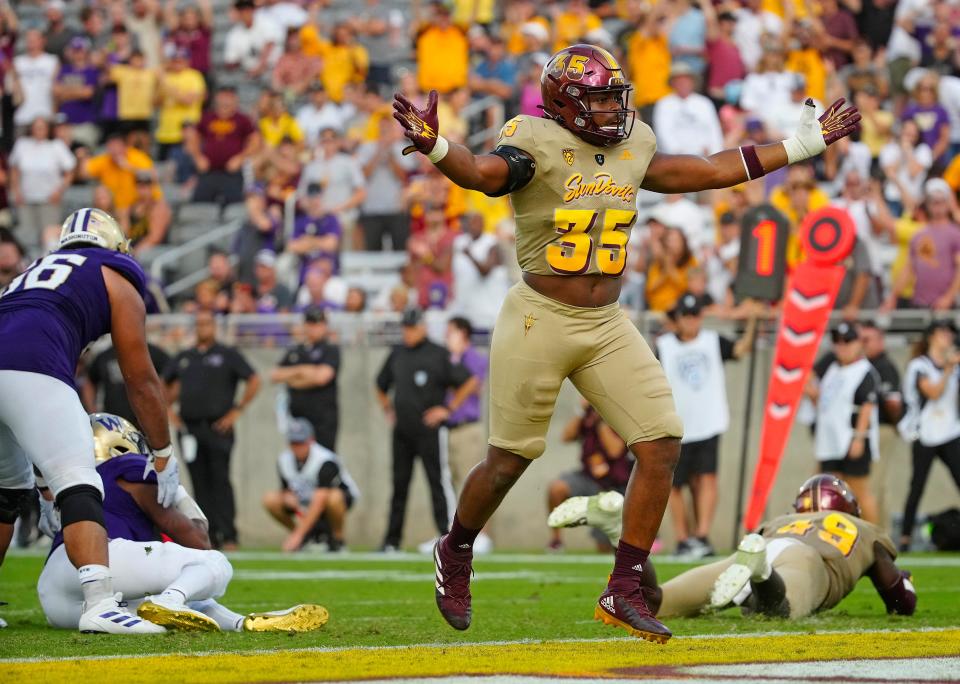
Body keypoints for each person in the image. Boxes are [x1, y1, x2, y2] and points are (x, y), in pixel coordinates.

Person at [392, 42, 860, 640]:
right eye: (600, 98)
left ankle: (624, 586)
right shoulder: (533, 138)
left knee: (662, 442)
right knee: (509, 460)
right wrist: (436, 146)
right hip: (539, 314)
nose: (613, 108)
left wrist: (799, 146)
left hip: (606, 320)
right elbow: (484, 174)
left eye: (617, 96)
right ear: (564, 103)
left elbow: (709, 170)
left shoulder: (633, 143)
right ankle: (456, 549)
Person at [0, 208, 177, 634]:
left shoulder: (32, 272)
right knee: (80, 481)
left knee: (6, 491)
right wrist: (164, 452)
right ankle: (99, 602)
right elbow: (140, 377)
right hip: (33, 367)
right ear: (117, 245)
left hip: (18, 362)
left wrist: (42, 485)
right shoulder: (114, 274)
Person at [38, 413, 329, 632]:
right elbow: (198, 541)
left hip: (57, 594)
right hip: (100, 559)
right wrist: (180, 493)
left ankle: (242, 624)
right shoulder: (128, 466)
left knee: (166, 601)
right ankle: (171, 600)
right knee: (213, 564)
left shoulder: (79, 482)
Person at [552, 475, 916, 621]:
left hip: (767, 542)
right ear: (847, 509)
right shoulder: (861, 528)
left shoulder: (779, 521)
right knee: (779, 610)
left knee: (652, 602)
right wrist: (903, 581)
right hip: (807, 560)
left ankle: (618, 530)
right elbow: (901, 602)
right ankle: (759, 573)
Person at [656, 293, 757, 559]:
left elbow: (740, 349)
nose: (691, 321)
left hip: (709, 420)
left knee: (707, 479)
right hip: (677, 424)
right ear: (677, 319)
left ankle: (701, 534)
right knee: (674, 486)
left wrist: (753, 322)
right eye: (685, 316)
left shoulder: (713, 341)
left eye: (695, 315)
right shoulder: (664, 346)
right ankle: (682, 537)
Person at [375, 308, 479, 552]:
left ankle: (449, 538)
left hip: (430, 431)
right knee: (399, 485)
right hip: (402, 432)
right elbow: (380, 384)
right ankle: (392, 541)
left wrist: (447, 408)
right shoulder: (397, 353)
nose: (408, 333)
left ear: (422, 327)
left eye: (412, 327)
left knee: (438, 483)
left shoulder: (438, 354)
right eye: (405, 328)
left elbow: (469, 381)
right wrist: (388, 409)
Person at [164, 310, 261, 549]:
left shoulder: (227, 354)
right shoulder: (185, 357)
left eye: (206, 323)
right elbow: (162, 382)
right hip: (190, 429)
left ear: (215, 326)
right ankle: (209, 534)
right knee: (198, 482)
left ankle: (228, 534)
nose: (202, 328)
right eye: (198, 324)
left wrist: (237, 411)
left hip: (218, 427)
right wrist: (169, 412)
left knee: (220, 480)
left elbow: (254, 379)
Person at [804, 322, 880, 524]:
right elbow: (817, 388)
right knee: (828, 491)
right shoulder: (831, 365)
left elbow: (866, 406)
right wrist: (811, 393)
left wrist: (859, 438)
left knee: (859, 492)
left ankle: (876, 541)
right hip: (830, 441)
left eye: (847, 341)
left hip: (851, 439)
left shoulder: (864, 371)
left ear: (858, 343)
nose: (842, 346)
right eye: (837, 341)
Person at [897, 320, 960, 551]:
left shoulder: (954, 365)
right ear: (932, 336)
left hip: (951, 432)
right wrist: (947, 369)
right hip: (925, 433)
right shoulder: (919, 365)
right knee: (917, 486)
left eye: (951, 333)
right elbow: (933, 392)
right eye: (944, 332)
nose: (948, 337)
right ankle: (904, 536)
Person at [262, 418, 359, 553]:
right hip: (305, 502)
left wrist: (298, 535)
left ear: (311, 440)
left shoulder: (326, 460)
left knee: (334, 498)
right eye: (293, 442)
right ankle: (308, 538)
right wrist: (287, 497)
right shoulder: (283, 460)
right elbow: (286, 488)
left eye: (301, 442)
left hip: (333, 501)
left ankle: (338, 539)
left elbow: (321, 498)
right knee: (270, 499)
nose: (297, 447)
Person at [548, 400, 631, 553]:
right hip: (588, 478)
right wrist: (581, 411)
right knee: (557, 488)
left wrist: (601, 419)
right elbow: (566, 437)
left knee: (605, 548)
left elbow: (615, 450)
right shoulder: (586, 417)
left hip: (613, 486)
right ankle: (556, 541)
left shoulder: (618, 416)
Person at [271, 307, 340, 451]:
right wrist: (305, 372)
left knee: (324, 460)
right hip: (298, 418)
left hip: (323, 419)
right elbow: (275, 375)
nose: (314, 328)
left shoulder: (330, 350)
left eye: (318, 324)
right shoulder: (295, 350)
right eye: (310, 324)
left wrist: (295, 376)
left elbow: (322, 377)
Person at [8, 117, 76, 256]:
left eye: (42, 127)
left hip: (49, 199)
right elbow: (14, 170)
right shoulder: (22, 144)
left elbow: (70, 170)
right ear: (31, 128)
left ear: (48, 129)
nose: (39, 130)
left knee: (49, 238)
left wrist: (59, 191)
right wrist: (16, 191)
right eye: (36, 126)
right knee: (26, 236)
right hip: (26, 198)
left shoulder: (56, 145)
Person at [85, 341, 171, 426]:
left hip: (145, 420)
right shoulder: (104, 356)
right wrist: (92, 408)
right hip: (113, 421)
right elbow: (90, 380)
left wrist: (163, 405)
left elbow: (171, 377)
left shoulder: (152, 353)